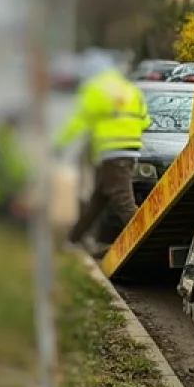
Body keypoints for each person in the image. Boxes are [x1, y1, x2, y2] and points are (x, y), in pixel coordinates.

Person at [56, 50, 150, 250]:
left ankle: (148, 241)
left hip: (112, 152)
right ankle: (74, 239)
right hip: (130, 150)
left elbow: (79, 121)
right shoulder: (129, 89)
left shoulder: (96, 89)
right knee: (98, 200)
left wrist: (61, 144)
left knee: (124, 203)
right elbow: (145, 120)